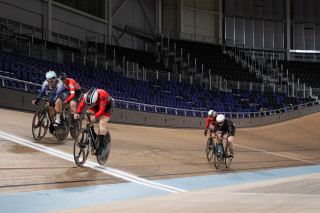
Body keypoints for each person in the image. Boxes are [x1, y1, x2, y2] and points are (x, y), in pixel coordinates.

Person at [74, 87, 114, 155]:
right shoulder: (86, 95)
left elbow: (101, 111)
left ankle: (101, 147)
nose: (91, 105)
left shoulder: (102, 95)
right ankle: (92, 133)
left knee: (102, 123)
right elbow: (80, 106)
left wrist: (95, 117)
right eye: (90, 104)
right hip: (97, 105)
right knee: (87, 115)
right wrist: (77, 113)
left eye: (92, 104)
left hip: (107, 107)